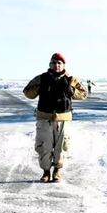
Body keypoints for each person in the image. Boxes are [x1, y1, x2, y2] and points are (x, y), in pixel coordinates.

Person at [23, 52, 87, 183]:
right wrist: (38, 87)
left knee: (61, 147)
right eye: (54, 63)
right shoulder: (42, 78)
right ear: (50, 64)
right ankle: (46, 172)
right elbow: (28, 93)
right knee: (44, 146)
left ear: (63, 65)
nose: (56, 65)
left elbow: (83, 94)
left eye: (59, 63)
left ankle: (57, 170)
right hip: (44, 118)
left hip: (63, 119)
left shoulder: (71, 79)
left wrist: (72, 91)